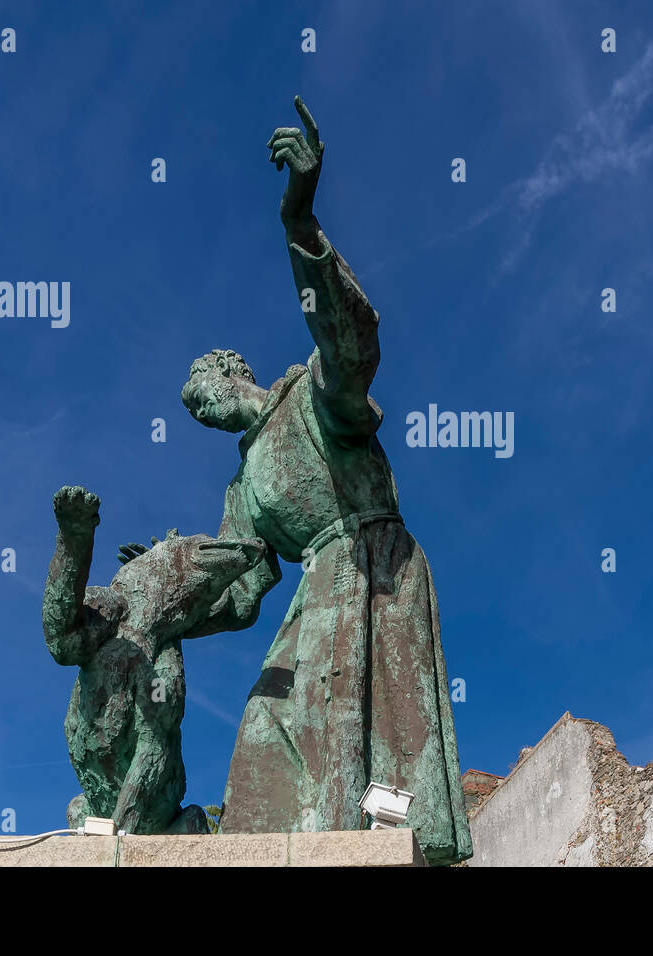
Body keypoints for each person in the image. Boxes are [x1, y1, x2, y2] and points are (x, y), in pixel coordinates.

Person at [166, 97, 471, 865]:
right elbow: (236, 592)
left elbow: (353, 344)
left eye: (209, 396)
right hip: (313, 595)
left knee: (366, 781)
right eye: (200, 415)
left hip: (371, 574)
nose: (209, 414)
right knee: (266, 730)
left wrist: (300, 224)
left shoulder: (307, 395)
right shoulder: (243, 486)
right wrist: (157, 605)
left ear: (237, 377)